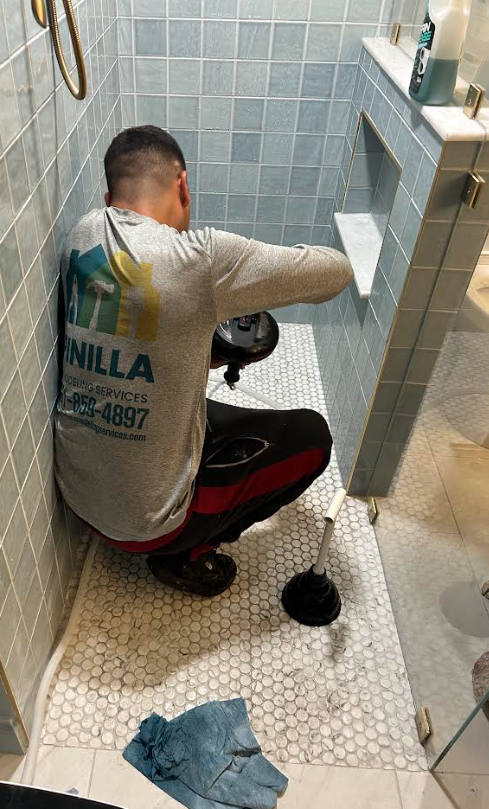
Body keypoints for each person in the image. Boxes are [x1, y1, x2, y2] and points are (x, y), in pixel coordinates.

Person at [55, 125, 353, 597]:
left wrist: (199, 350)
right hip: (149, 526)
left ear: (110, 197)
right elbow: (336, 272)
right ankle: (186, 555)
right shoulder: (201, 259)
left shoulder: (82, 234)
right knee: (312, 438)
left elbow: (128, 333)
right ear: (183, 185)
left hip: (78, 499)